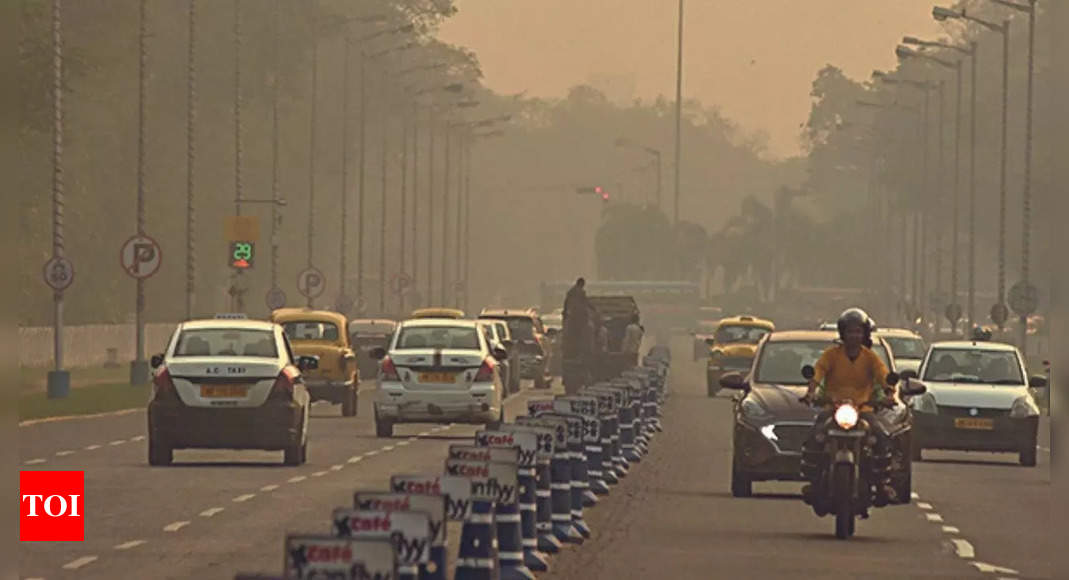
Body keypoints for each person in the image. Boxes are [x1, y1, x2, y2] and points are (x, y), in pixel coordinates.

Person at [800, 307, 898, 507]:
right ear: (842, 333)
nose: (854, 336)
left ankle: (882, 484)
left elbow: (883, 374)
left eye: (858, 332)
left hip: (863, 411)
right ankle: (813, 480)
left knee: (881, 437)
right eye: (850, 331)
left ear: (864, 334)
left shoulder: (870, 357)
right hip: (833, 408)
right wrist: (811, 393)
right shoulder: (831, 355)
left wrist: (889, 394)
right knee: (815, 434)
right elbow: (818, 373)